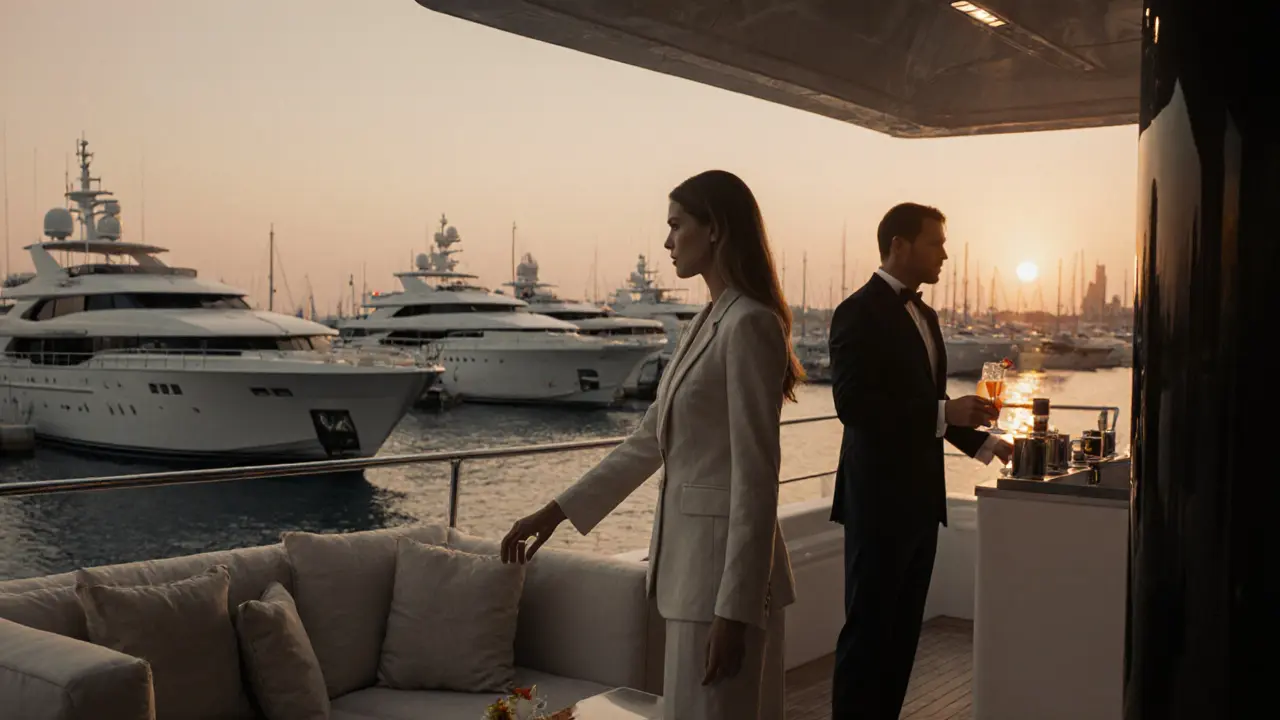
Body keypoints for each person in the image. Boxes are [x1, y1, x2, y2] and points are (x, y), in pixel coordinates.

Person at [500, 170, 801, 720]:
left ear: (715, 229)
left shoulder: (750, 324)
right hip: (690, 578)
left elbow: (757, 480)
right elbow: (647, 441)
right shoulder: (706, 321)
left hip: (724, 587)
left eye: (676, 225)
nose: (667, 242)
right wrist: (556, 511)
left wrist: (735, 611)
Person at [827, 203, 1013, 719]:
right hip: (877, 503)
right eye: (936, 243)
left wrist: (985, 443)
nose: (945, 255)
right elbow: (853, 405)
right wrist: (943, 410)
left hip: (921, 503)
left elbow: (930, 405)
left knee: (902, 636)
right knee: (868, 633)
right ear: (899, 245)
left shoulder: (926, 316)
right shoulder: (856, 312)